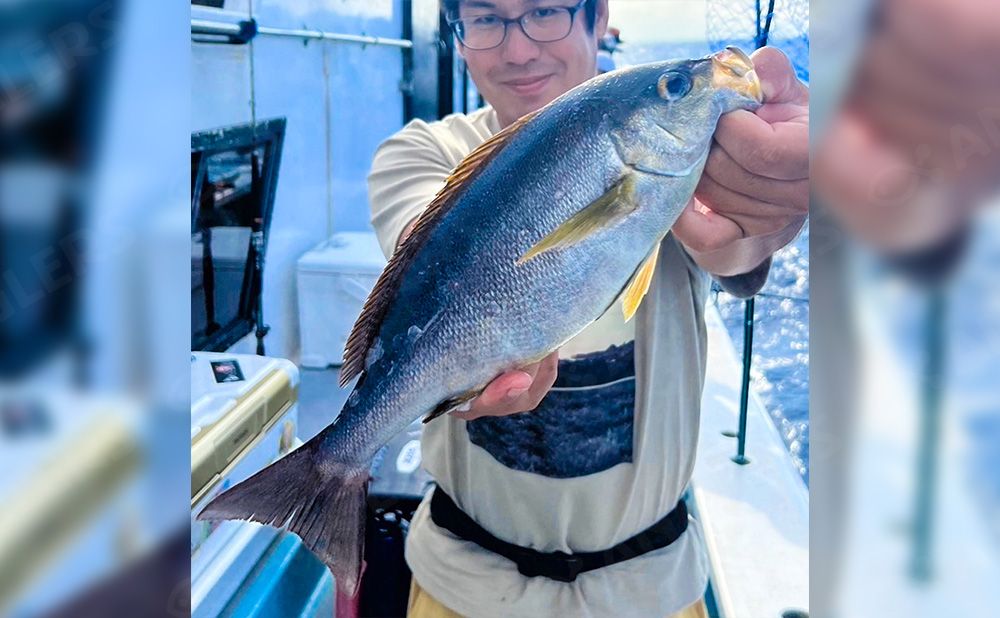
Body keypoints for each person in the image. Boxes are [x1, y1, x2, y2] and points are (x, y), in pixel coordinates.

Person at [367, 1, 808, 616]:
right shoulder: (422, 153)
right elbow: (428, 274)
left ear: (598, 17)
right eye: (486, 19)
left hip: (652, 589)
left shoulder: (684, 165)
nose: (519, 50)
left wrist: (767, 209)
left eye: (544, 11)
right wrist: (454, 369)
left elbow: (735, 252)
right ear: (457, 35)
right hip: (462, 584)